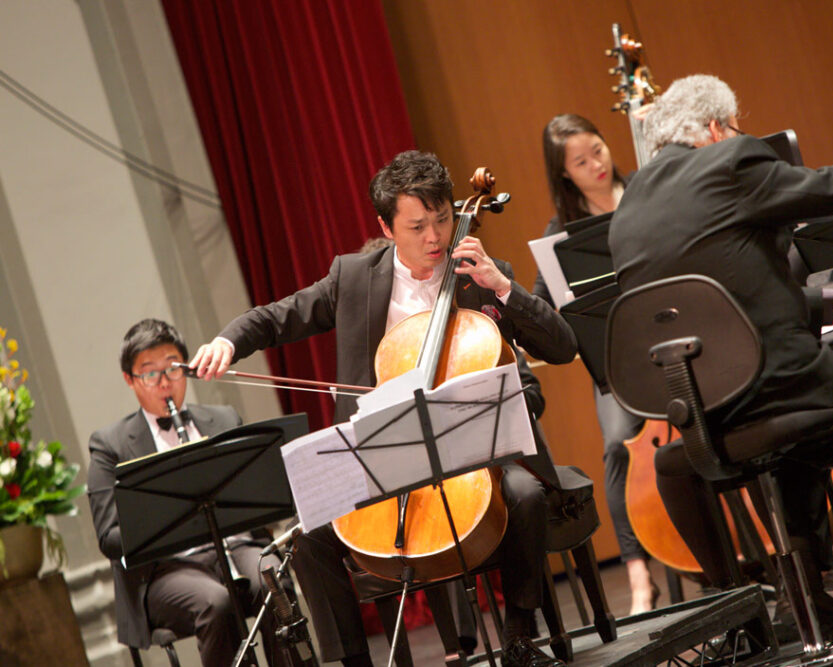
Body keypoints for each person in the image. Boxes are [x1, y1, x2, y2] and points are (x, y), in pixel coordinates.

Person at [190, 150, 578, 667]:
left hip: (474, 454)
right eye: (417, 226)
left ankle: (520, 637)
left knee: (526, 493)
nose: (435, 237)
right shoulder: (353, 278)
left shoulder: (478, 274)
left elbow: (563, 347)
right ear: (386, 227)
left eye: (442, 219)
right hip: (387, 459)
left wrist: (503, 288)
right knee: (310, 537)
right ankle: (354, 662)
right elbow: (277, 318)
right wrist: (227, 342)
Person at [608, 75, 833, 640]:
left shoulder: (631, 206)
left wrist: (832, 297)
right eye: (734, 127)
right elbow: (824, 191)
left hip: (701, 404)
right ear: (715, 128)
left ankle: (807, 599)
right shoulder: (728, 161)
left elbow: (722, 299)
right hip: (774, 377)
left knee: (799, 451)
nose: (739, 135)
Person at [87, 319, 290, 666]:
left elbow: (260, 489)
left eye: (173, 369)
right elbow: (109, 537)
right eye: (150, 374)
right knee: (215, 601)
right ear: (130, 380)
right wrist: (167, 518)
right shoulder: (110, 445)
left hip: (237, 546)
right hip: (169, 570)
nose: (164, 382)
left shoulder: (224, 418)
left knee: (272, 579)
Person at [536, 113, 658, 614]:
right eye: (581, 162)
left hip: (677, 336)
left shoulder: (650, 189)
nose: (596, 165)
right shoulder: (562, 233)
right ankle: (637, 574)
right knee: (616, 446)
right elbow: (542, 303)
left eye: (599, 151)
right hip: (616, 362)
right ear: (565, 173)